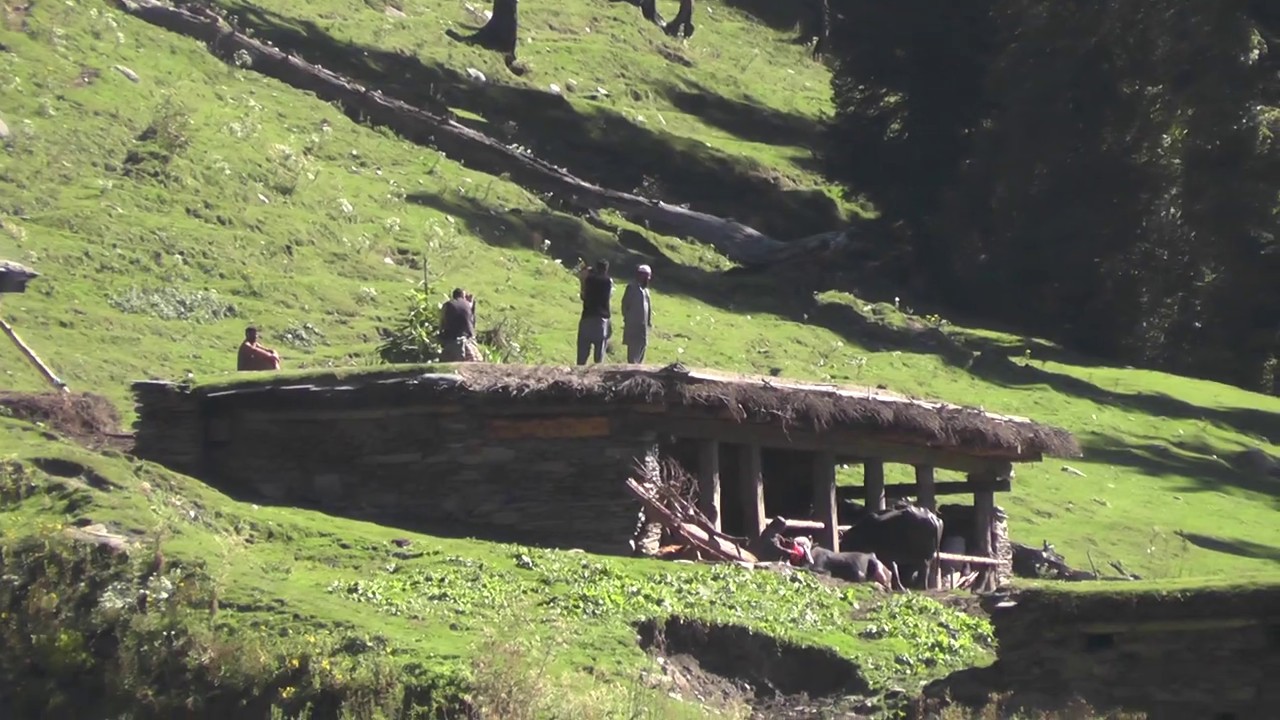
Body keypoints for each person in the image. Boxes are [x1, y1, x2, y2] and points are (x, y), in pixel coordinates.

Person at [577, 260, 613, 365]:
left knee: (582, 355)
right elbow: (609, 296)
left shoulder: (589, 280)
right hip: (602, 319)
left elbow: (583, 296)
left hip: (587, 317)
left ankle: (578, 374)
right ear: (606, 269)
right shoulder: (608, 281)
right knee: (599, 357)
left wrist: (584, 277)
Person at [621, 264, 653, 364]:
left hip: (643, 328)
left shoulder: (646, 291)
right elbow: (625, 305)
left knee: (642, 351)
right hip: (634, 326)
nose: (648, 279)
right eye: (646, 276)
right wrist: (628, 319)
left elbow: (649, 309)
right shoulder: (631, 288)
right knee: (633, 354)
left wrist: (649, 323)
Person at [439, 288, 483, 362]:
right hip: (468, 337)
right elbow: (472, 321)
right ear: (463, 296)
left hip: (451, 337)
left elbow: (441, 321)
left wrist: (441, 333)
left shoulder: (448, 304)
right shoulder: (468, 304)